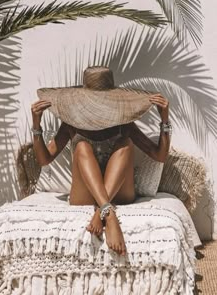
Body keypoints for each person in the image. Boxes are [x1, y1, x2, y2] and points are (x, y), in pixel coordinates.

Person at [31, 67, 171, 257]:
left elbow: (159, 156)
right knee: (82, 147)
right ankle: (108, 212)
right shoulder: (72, 123)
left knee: (125, 144)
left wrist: (164, 120)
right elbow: (44, 159)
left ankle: (102, 211)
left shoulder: (124, 123)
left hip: (120, 193)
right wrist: (36, 125)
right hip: (83, 196)